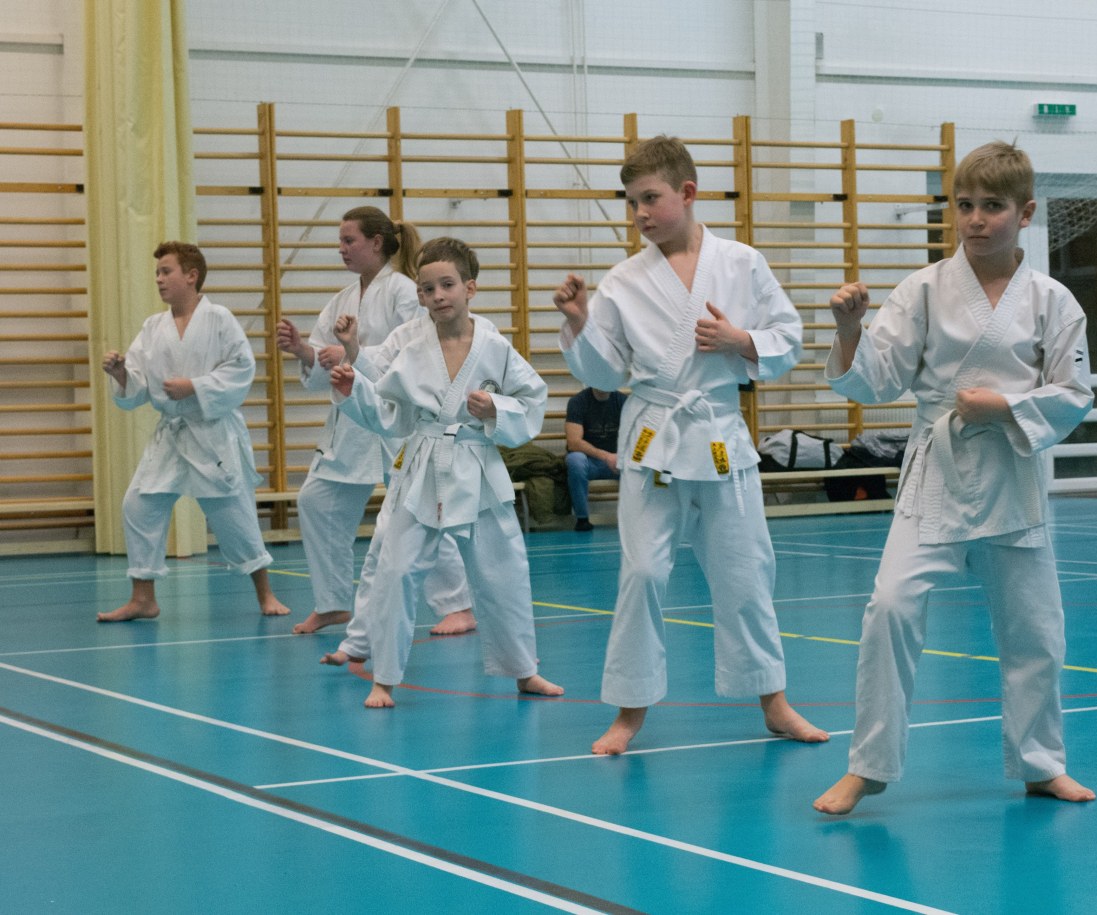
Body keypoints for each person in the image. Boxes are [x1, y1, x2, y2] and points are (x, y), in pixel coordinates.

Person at [812, 141, 1097, 815]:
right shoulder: (923, 290)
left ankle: (1041, 764)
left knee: (1035, 629)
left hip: (1011, 472)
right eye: (963, 205)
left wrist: (1006, 407)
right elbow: (877, 379)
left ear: (1025, 213)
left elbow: (1075, 392)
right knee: (890, 606)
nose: (975, 219)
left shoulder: (1053, 301)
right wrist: (850, 331)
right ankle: (869, 766)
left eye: (992, 206)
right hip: (937, 470)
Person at [552, 136, 829, 755]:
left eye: (650, 198)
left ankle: (775, 702)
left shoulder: (742, 262)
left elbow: (789, 337)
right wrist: (579, 321)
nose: (640, 213)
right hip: (654, 435)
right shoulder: (623, 280)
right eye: (631, 202)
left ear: (688, 192)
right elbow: (604, 374)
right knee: (643, 572)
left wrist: (741, 340)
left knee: (746, 570)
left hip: (720, 432)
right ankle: (629, 711)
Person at [328, 236, 563, 707]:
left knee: (504, 570)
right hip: (423, 463)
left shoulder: (494, 346)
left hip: (477, 464)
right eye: (427, 288)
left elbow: (532, 399)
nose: (437, 296)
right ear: (419, 294)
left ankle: (524, 671)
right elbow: (387, 406)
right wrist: (354, 386)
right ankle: (384, 678)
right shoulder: (409, 343)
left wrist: (495, 408)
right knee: (396, 571)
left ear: (470, 288)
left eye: (447, 285)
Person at [276, 207, 477, 639]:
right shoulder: (342, 299)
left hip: (398, 417)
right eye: (341, 240)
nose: (342, 248)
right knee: (316, 501)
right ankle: (332, 602)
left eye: (349, 240)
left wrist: (353, 352)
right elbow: (323, 362)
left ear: (377, 243)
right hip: (353, 419)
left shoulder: (406, 291)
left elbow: (414, 349)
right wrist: (302, 351)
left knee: (417, 509)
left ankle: (457, 605)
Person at [99, 241, 290, 622]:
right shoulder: (153, 327)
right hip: (172, 433)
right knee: (139, 505)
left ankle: (266, 594)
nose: (159, 279)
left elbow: (242, 368)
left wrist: (196, 387)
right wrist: (121, 373)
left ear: (191, 275)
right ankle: (143, 598)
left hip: (211, 433)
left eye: (166, 271)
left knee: (233, 513)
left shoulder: (219, 319)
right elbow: (137, 381)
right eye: (157, 273)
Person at [564, 387, 626, 531]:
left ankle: (636, 517)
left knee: (638, 462)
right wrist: (607, 456)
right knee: (575, 460)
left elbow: (634, 435)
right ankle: (582, 519)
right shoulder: (578, 402)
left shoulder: (623, 401)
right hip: (591, 462)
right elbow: (573, 442)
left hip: (618, 461)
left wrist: (622, 457)